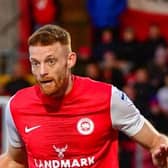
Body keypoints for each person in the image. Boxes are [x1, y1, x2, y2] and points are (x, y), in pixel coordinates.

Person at [0, 24, 168, 168]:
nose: (42, 72)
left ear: (70, 60)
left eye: (51, 61)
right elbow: (16, 161)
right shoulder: (17, 106)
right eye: (35, 63)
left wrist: (161, 152)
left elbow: (156, 142)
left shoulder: (108, 98)